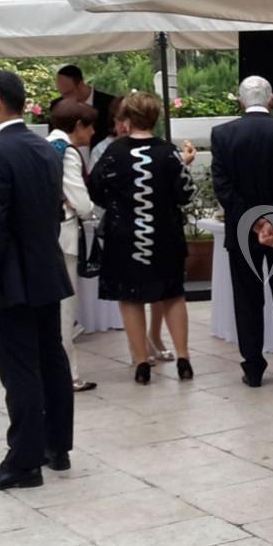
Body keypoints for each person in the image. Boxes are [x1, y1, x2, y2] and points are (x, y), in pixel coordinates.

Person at [0, 70, 74, 490]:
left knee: (20, 369)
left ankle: (24, 460)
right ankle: (56, 446)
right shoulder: (43, 146)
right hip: (45, 267)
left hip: (11, 276)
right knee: (51, 359)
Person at [88, 91, 196, 384]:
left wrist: (119, 202)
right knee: (172, 294)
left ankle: (140, 362)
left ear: (126, 119)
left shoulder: (114, 152)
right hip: (165, 234)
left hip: (124, 237)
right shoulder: (168, 152)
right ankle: (183, 356)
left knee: (131, 298)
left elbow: (95, 189)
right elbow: (186, 193)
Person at [210, 76, 273, 388]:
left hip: (242, 230)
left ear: (241, 102)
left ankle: (253, 368)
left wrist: (254, 222)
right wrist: (272, 221)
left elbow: (223, 187)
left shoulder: (222, 135)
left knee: (247, 299)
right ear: (271, 100)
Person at [46, 100, 98, 393]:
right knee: (65, 309)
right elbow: (80, 202)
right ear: (78, 125)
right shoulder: (68, 153)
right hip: (63, 235)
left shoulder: (43, 144)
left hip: (44, 235)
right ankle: (69, 374)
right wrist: (88, 210)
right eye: (89, 126)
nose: (91, 133)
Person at [51, 65, 115, 148]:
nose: (64, 98)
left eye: (68, 93)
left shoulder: (108, 103)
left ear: (81, 84)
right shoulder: (57, 105)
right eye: (61, 93)